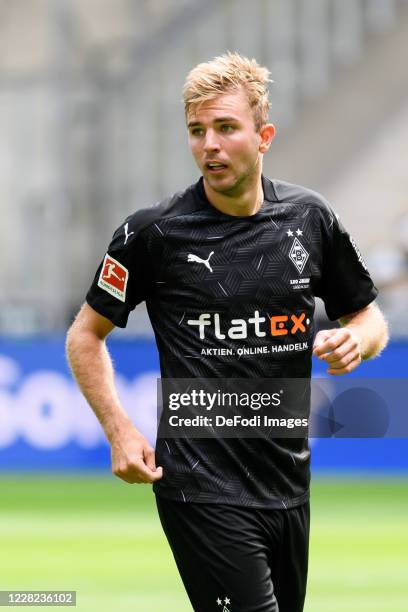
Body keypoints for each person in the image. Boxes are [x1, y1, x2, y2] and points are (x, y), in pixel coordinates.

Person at [66, 52, 388, 612]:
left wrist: (359, 340)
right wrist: (118, 430)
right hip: (200, 486)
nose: (208, 144)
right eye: (197, 130)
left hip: (288, 486)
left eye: (225, 128)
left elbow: (367, 316)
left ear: (264, 136)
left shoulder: (311, 219)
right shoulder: (153, 233)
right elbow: (84, 336)